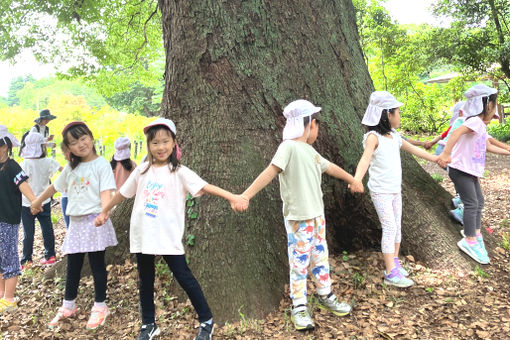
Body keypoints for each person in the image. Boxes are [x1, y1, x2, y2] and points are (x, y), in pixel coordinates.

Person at [94, 118, 246, 340]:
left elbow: (205, 186)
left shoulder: (180, 172)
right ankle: (148, 324)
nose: (161, 147)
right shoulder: (142, 170)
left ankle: (207, 320)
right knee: (145, 280)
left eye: (165, 141)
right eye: (155, 143)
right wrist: (104, 211)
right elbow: (122, 194)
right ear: (149, 146)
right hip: (143, 234)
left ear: (174, 143)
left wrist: (233, 197)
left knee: (183, 276)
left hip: (167, 235)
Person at [234, 100, 363, 331]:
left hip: (316, 217)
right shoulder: (288, 147)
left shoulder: (311, 151)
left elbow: (331, 167)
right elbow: (270, 171)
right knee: (299, 262)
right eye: (316, 124)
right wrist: (246, 195)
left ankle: (326, 295)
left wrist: (353, 180)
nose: (317, 129)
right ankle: (299, 306)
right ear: (310, 125)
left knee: (320, 257)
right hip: (298, 218)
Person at [31, 121, 117, 330]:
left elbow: (107, 191)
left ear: (91, 138)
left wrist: (105, 212)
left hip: (95, 221)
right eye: (74, 142)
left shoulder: (102, 164)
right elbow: (55, 186)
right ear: (68, 148)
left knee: (97, 265)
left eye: (83, 138)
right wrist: (37, 200)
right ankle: (68, 305)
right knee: (73, 265)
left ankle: (100, 306)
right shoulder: (71, 168)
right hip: (76, 224)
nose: (80, 144)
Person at [351, 91, 438, 288]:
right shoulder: (373, 137)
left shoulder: (394, 136)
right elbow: (365, 159)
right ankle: (390, 272)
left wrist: (437, 159)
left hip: (394, 190)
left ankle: (395, 263)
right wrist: (357, 179)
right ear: (387, 114)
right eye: (397, 112)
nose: (399, 115)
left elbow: (415, 150)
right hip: (380, 191)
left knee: (397, 227)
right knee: (389, 227)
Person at [438, 84, 510, 264]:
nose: (494, 108)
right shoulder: (474, 121)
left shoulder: (480, 125)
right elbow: (455, 133)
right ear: (486, 105)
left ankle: (475, 234)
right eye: (494, 105)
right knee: (471, 203)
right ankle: (469, 240)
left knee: (479, 202)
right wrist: (446, 153)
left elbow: (489, 146)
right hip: (460, 169)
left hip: (469, 170)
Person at [0, 126, 38, 313]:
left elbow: (24, 185)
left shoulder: (13, 166)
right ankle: (1, 294)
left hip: (8, 219)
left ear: (6, 146)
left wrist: (34, 201)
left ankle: (9, 298)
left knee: (9, 258)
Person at [19, 132, 62, 269]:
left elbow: (20, 183)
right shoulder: (48, 161)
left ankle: (26, 260)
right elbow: (63, 170)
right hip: (44, 201)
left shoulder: (25, 164)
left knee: (28, 232)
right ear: (42, 147)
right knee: (47, 229)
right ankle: (50, 255)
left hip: (27, 203)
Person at [59, 142, 71, 229]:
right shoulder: (68, 166)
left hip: (71, 199)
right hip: (66, 197)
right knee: (69, 227)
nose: (64, 157)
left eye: (65, 153)